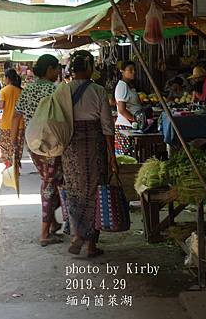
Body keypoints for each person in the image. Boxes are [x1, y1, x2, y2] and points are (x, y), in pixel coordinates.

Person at [63, 50, 117, 258]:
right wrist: (112, 154)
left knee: (75, 191)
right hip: (95, 146)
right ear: (89, 68)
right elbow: (107, 126)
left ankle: (78, 233)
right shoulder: (99, 91)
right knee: (96, 191)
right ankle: (91, 245)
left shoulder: (63, 91)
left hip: (71, 147)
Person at [13, 54, 64, 246]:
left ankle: (52, 223)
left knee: (51, 181)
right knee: (50, 184)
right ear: (49, 69)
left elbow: (16, 116)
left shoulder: (28, 89)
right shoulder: (54, 90)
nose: (58, 72)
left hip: (33, 143)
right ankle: (44, 233)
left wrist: (15, 144)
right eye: (56, 68)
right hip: (51, 144)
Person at [0, 69, 24, 167]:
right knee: (17, 147)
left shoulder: (4, 91)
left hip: (6, 124)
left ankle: (9, 167)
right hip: (20, 124)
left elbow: (1, 105)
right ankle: (15, 166)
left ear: (7, 78)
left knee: (5, 148)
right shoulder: (21, 91)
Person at [114, 61, 142, 157]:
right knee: (128, 158)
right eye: (130, 70)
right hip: (125, 126)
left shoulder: (129, 85)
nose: (133, 72)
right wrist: (136, 120)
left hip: (130, 126)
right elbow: (122, 110)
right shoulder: (122, 86)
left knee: (132, 157)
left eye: (134, 70)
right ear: (122, 71)